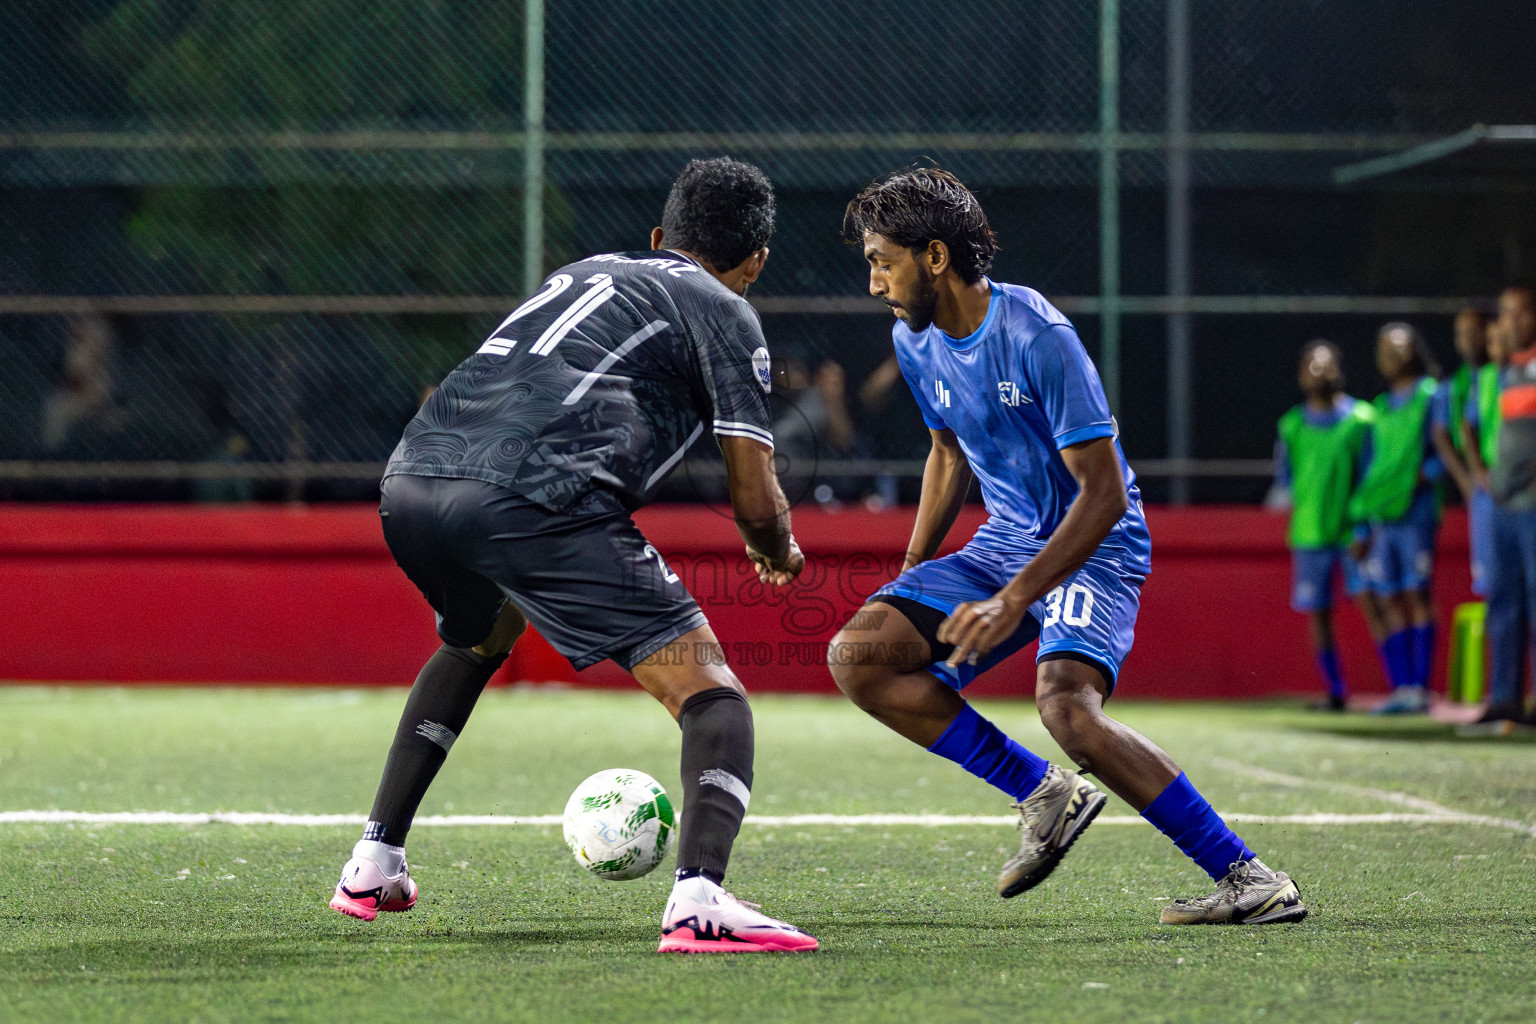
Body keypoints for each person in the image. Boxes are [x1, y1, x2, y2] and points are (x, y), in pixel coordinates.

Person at [328, 158, 818, 954]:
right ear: (755, 261)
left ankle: (373, 858)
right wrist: (779, 549)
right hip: (533, 498)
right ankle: (700, 900)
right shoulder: (725, 307)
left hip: (411, 480)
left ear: (658, 237)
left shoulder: (584, 272)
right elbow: (755, 500)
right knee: (710, 693)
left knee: (478, 639)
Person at [827, 167, 1306, 926]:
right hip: (1005, 543)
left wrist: (1012, 600)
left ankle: (1251, 880)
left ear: (936, 257)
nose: (875, 281)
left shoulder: (1037, 334)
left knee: (1068, 709)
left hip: (1096, 541)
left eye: (884, 261)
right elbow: (947, 452)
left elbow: (1104, 494)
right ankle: (1044, 793)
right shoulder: (912, 341)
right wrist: (915, 575)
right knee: (862, 656)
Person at [1274, 340, 1381, 711]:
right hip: (1309, 533)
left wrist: (1365, 526)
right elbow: (1286, 478)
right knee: (1318, 615)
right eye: (1312, 365)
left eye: (1327, 364)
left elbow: (1373, 474)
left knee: (1376, 603)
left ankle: (1405, 688)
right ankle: (1336, 692)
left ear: (1339, 370)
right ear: (1301, 374)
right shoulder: (1291, 425)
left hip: (1354, 532)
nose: (1319, 371)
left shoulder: (1362, 419)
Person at [1347, 324, 1444, 715]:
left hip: (1416, 512)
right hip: (1382, 518)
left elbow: (1444, 449)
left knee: (1417, 594)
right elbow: (1372, 470)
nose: (1393, 354)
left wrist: (1425, 475)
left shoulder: (1431, 395)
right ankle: (1401, 688)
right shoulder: (1381, 409)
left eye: (1401, 347)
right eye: (1386, 348)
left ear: (1415, 350)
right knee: (1387, 597)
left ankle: (1421, 688)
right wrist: (1362, 524)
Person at [1470, 284, 1536, 725]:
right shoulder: (1506, 373)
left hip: (1532, 504)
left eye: (1518, 313)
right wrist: (1488, 478)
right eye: (1504, 313)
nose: (1508, 323)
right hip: (1503, 504)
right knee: (1503, 601)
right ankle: (1505, 698)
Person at [1433, 309, 1491, 594]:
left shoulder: (1499, 374)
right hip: (1481, 488)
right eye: (1461, 334)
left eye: (1474, 332)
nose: (1467, 340)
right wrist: (1468, 479)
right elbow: (1446, 433)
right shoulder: (1454, 386)